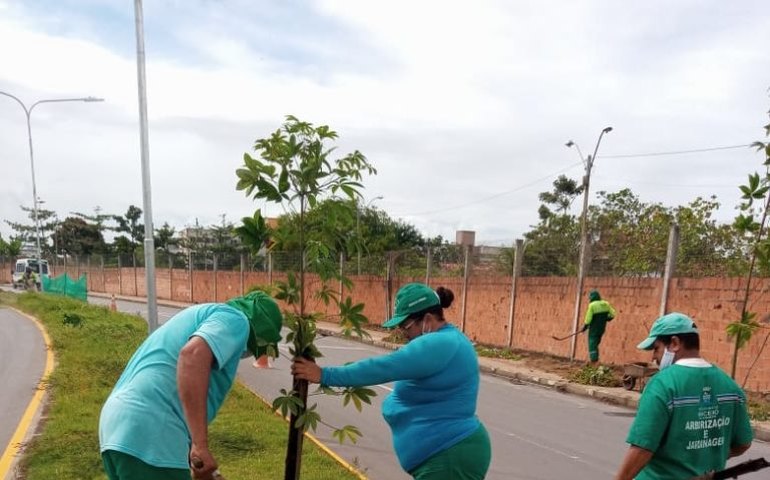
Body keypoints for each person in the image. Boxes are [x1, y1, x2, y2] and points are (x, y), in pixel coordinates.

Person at [292, 282, 491, 480]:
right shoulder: (447, 340)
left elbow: (384, 367)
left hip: (449, 455)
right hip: (446, 453)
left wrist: (325, 375)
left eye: (405, 326)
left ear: (428, 319)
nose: (402, 333)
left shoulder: (439, 343)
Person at [99, 291, 283, 480]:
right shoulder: (237, 320)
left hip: (118, 428)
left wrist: (202, 465)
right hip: (152, 431)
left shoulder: (205, 314)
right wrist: (200, 445)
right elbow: (192, 356)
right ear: (260, 329)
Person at [614, 312, 753, 480]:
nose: (654, 357)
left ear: (674, 343)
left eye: (656, 348)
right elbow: (743, 443)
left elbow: (642, 448)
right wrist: (702, 457)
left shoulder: (662, 385)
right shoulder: (730, 386)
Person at [581, 289, 616, 364]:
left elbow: (588, 318)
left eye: (590, 297)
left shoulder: (592, 305)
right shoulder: (606, 304)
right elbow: (613, 314)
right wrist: (608, 318)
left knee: (592, 342)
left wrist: (585, 326)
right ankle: (594, 359)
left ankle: (594, 360)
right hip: (602, 328)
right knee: (596, 342)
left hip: (594, 328)